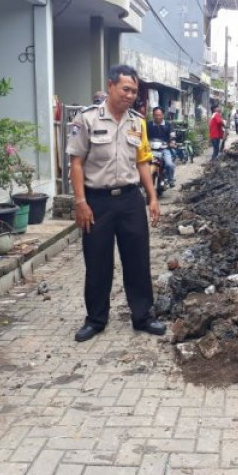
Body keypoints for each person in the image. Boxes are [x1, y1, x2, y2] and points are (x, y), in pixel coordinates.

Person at [66, 64, 166, 342]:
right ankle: (96, 319)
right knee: (97, 261)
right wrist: (80, 202)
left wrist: (152, 197)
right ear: (110, 86)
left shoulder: (137, 122)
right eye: (125, 89)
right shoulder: (86, 120)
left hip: (130, 200)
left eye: (134, 91)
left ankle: (143, 316)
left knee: (138, 259)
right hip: (97, 201)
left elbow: (143, 161)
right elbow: (76, 163)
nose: (130, 95)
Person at [147, 107, 176, 187]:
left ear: (163, 115)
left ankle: (171, 179)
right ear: (153, 115)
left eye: (159, 115)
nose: (157, 117)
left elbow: (172, 135)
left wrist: (172, 142)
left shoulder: (168, 125)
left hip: (164, 149)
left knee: (169, 164)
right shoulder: (149, 125)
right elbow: (144, 136)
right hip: (151, 149)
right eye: (155, 115)